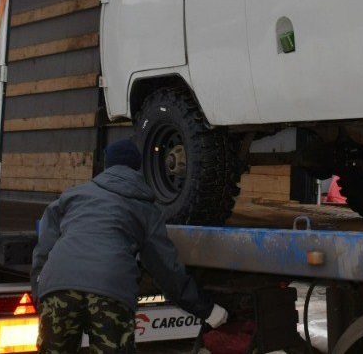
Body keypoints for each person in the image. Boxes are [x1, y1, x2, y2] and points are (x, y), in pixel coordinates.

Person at [31, 140, 228, 353]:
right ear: (137, 166)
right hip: (111, 289)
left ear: (106, 165)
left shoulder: (73, 195)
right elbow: (165, 269)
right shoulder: (145, 208)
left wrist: (39, 287)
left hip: (58, 286)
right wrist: (206, 309)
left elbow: (45, 245)